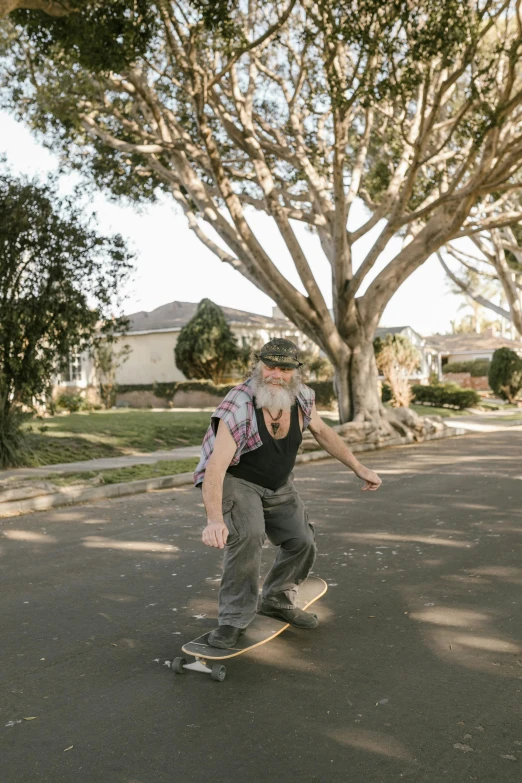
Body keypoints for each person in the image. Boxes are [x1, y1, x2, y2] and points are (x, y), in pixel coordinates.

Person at [194, 338, 382, 649]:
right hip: (238, 480)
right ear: (259, 366)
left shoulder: (303, 398)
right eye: (269, 367)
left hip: (279, 483)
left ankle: (277, 599)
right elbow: (216, 467)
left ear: (295, 372)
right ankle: (232, 619)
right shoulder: (239, 405)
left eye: (284, 369)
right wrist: (214, 520)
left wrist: (358, 468)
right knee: (249, 536)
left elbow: (323, 431)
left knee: (302, 540)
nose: (275, 375)